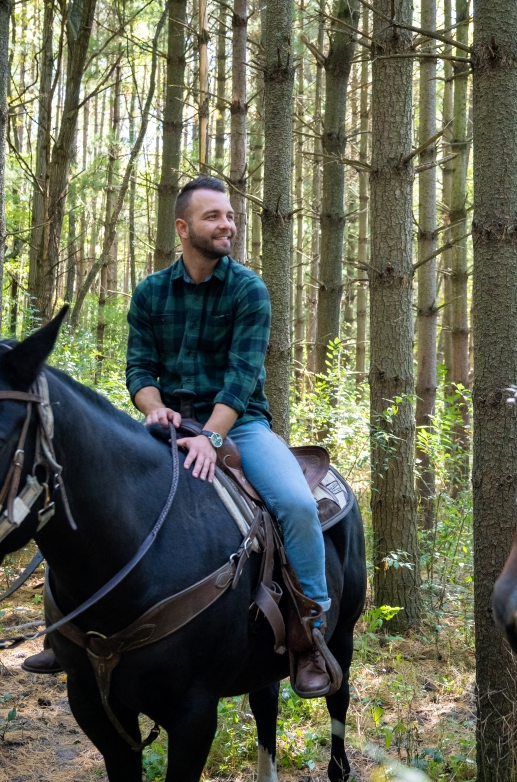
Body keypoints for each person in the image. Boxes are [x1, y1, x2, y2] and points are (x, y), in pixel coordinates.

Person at [23, 176, 336, 699]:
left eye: (231, 216)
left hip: (241, 425)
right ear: (183, 227)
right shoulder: (149, 293)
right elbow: (139, 369)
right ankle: (63, 628)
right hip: (165, 423)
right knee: (81, 491)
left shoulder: (248, 290)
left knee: (298, 506)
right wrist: (155, 408)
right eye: (214, 216)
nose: (228, 225)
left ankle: (310, 634)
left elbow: (241, 377)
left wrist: (210, 438)